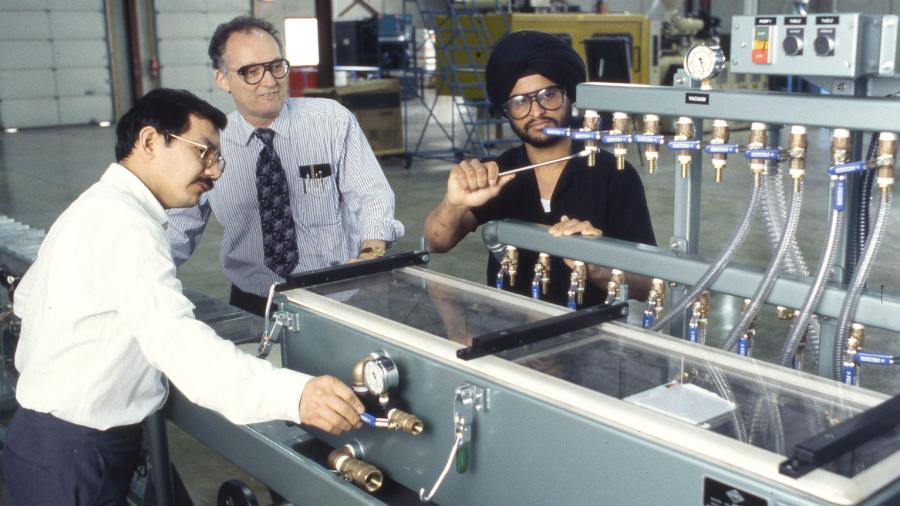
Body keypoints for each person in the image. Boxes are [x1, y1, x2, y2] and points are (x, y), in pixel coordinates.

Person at [2, 89, 364, 506]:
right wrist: (296, 396)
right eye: (204, 152)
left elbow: (27, 299)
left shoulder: (95, 205)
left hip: (50, 440)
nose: (214, 171)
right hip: (77, 456)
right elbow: (183, 351)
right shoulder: (126, 226)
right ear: (151, 142)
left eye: (218, 158)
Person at [166, 16, 403, 316]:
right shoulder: (210, 145)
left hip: (338, 294)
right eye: (251, 71)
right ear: (222, 79)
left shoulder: (331, 121)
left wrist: (372, 252)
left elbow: (371, 195)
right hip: (253, 301)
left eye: (275, 66)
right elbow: (178, 228)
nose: (269, 81)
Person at [423, 31, 656, 307]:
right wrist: (454, 203)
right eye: (520, 102)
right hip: (508, 330)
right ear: (506, 111)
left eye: (548, 95)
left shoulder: (614, 174)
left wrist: (597, 267)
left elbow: (648, 282)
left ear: (568, 94)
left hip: (589, 335)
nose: (536, 112)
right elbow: (436, 242)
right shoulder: (498, 173)